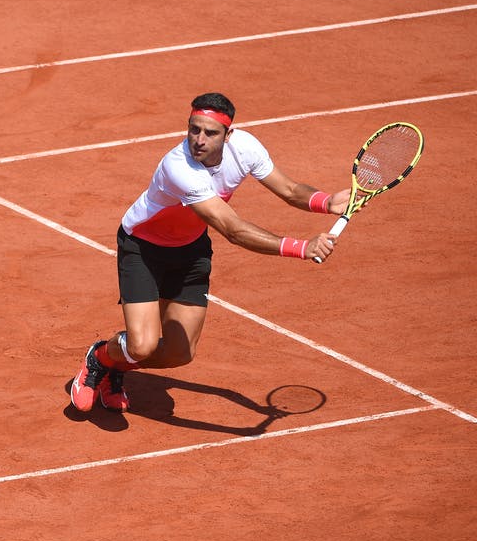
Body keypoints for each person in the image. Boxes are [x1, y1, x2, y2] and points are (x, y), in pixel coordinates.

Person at [70, 92, 349, 413]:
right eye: (193, 129)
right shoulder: (180, 167)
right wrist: (301, 247)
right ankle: (101, 357)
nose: (199, 140)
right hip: (143, 249)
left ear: (229, 135)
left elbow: (289, 189)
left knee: (179, 354)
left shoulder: (246, 148)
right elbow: (232, 229)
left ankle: (118, 366)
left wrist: (327, 202)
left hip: (190, 251)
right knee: (142, 344)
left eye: (211, 133)